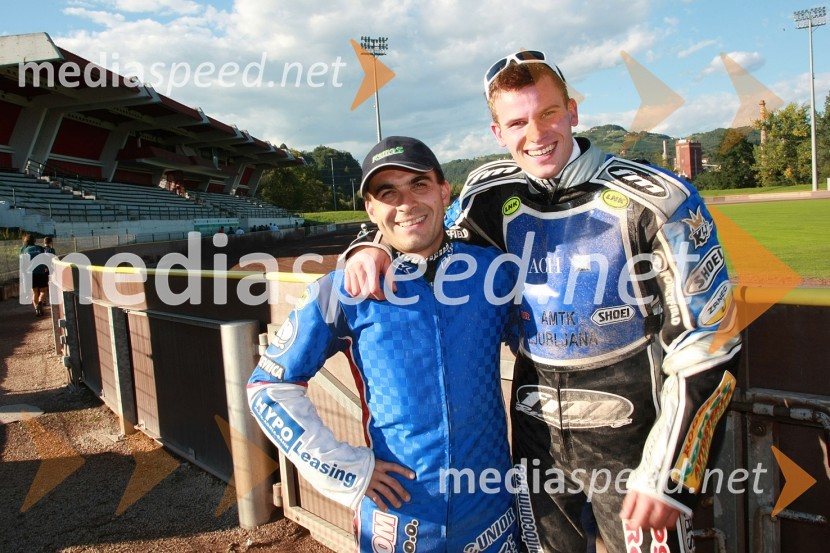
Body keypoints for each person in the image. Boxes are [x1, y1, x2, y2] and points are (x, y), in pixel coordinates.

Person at [343, 52, 741, 553]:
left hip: (635, 446)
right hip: (534, 446)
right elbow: (421, 232)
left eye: (548, 113)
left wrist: (670, 470)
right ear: (497, 132)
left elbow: (712, 340)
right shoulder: (489, 194)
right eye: (517, 122)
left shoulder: (660, 198)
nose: (536, 134)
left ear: (572, 112)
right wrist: (370, 243)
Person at [248, 136, 520, 552]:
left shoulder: (495, 273)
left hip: (492, 517)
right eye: (387, 193)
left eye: (419, 185)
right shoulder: (345, 288)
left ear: (445, 191)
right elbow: (268, 389)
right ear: (371, 210)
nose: (406, 203)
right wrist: (346, 471)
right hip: (399, 525)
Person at [19, 233, 49, 316]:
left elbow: (22, 262)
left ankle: (37, 309)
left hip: (30, 273)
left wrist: (23, 274)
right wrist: (47, 268)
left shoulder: (23, 249)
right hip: (41, 272)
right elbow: (45, 258)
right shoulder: (40, 248)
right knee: (43, 291)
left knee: (34, 292)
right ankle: (40, 303)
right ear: (34, 241)